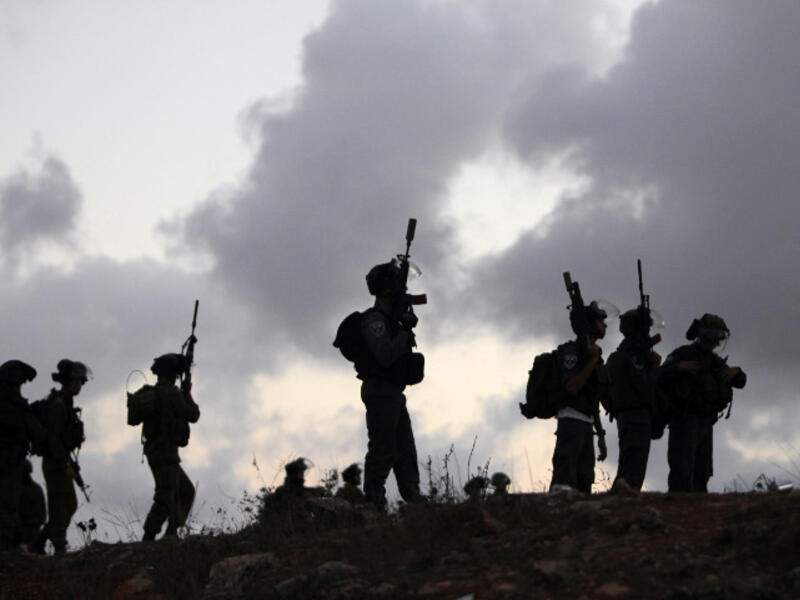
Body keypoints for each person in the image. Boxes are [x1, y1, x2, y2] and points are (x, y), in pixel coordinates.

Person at [357, 261, 426, 510]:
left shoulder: (390, 318)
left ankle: (413, 497)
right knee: (383, 448)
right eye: (395, 282)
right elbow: (385, 355)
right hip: (380, 390)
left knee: (405, 448)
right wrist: (404, 331)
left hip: (393, 392)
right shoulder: (374, 320)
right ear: (386, 288)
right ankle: (374, 500)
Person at [659, 314, 746, 492]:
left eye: (717, 338)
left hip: (706, 422)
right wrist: (678, 368)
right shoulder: (683, 354)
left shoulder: (714, 362)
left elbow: (740, 382)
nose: (714, 342)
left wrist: (737, 372)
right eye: (712, 337)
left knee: (702, 471)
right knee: (681, 470)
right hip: (683, 420)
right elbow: (659, 376)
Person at [138, 353, 200, 541]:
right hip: (165, 453)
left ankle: (172, 531)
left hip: (156, 451)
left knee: (184, 490)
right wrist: (188, 393)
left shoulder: (155, 393)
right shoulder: (172, 394)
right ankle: (150, 535)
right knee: (166, 495)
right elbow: (193, 415)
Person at [549, 301, 609, 494]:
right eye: (600, 321)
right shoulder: (572, 351)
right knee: (564, 478)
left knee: (584, 480)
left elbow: (593, 398)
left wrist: (600, 434)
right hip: (571, 421)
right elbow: (572, 388)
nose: (605, 325)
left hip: (586, 424)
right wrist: (591, 362)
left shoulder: (595, 355)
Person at [31, 359, 89, 555]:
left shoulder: (65, 403)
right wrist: (65, 464)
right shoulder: (58, 404)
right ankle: (58, 547)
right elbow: (55, 439)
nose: (81, 384)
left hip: (59, 460)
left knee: (67, 504)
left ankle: (40, 542)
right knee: (60, 505)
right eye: (79, 380)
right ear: (71, 381)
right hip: (56, 462)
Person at [606, 309, 662, 491]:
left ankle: (621, 498)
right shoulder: (634, 355)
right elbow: (644, 387)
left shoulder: (621, 354)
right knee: (634, 465)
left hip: (625, 415)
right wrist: (654, 368)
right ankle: (623, 500)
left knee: (628, 460)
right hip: (636, 415)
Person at [0, 360, 43, 551]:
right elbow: (38, 435)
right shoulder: (14, 406)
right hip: (9, 463)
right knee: (7, 506)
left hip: (11, 461)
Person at [19, 459, 46, 548]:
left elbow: (42, 512)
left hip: (31, 528)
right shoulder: (36, 488)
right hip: (26, 527)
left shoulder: (35, 489)